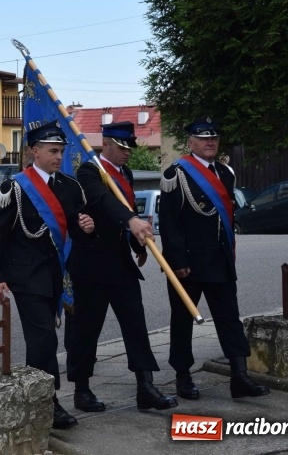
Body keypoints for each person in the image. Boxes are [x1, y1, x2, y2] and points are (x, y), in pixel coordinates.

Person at [0, 121, 94, 430]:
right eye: (52, 151)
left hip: (56, 273)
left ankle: (38, 394)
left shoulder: (70, 187)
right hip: (25, 274)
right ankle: (49, 401)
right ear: (34, 151)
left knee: (49, 336)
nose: (58, 157)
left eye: (61, 151)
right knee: (42, 338)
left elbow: (73, 233)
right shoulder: (15, 187)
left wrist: (86, 229)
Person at [66, 122, 177, 412]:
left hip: (120, 263)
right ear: (106, 144)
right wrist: (130, 220)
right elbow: (104, 202)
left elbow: (130, 213)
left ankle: (145, 386)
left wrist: (140, 244)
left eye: (130, 148)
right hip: (91, 264)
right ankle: (81, 389)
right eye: (122, 147)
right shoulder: (90, 172)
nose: (127, 153)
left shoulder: (125, 174)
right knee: (87, 329)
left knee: (135, 325)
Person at [159, 117, 269, 400]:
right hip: (189, 262)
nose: (210, 142)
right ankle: (183, 377)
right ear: (191, 142)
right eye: (203, 138)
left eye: (214, 138)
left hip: (219, 260)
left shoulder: (225, 172)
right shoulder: (176, 174)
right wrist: (177, 261)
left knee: (229, 318)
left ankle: (240, 377)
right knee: (182, 321)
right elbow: (169, 223)